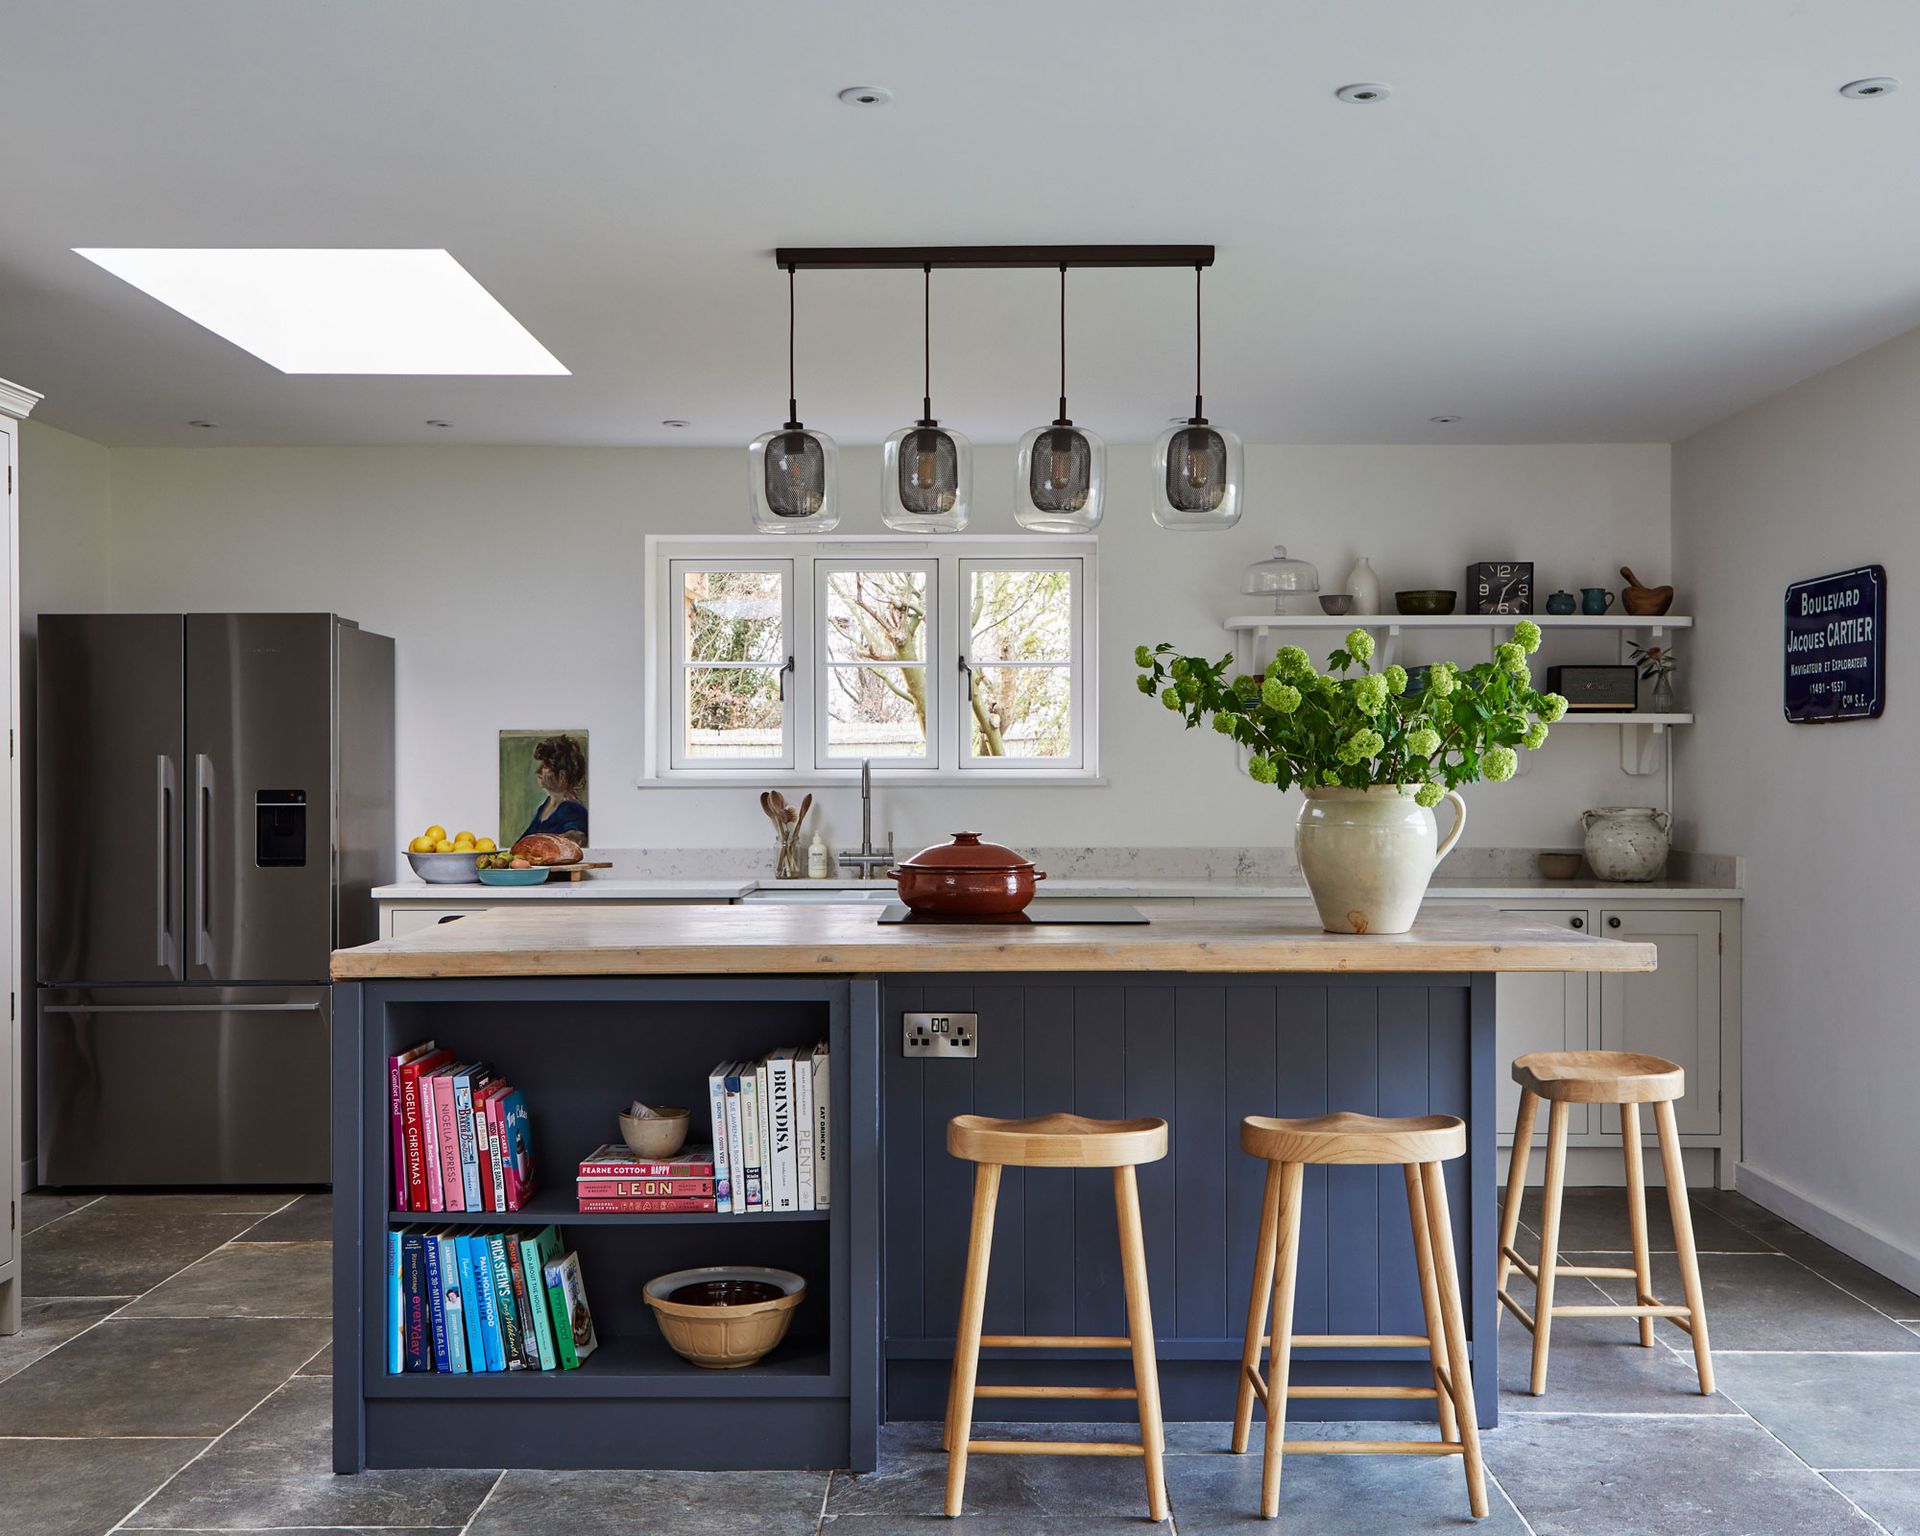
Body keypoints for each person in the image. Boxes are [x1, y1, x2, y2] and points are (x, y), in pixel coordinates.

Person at [520, 734, 588, 844]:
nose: (538, 771)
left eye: (545, 766)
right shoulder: (545, 806)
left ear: (562, 776)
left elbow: (576, 838)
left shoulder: (573, 810)